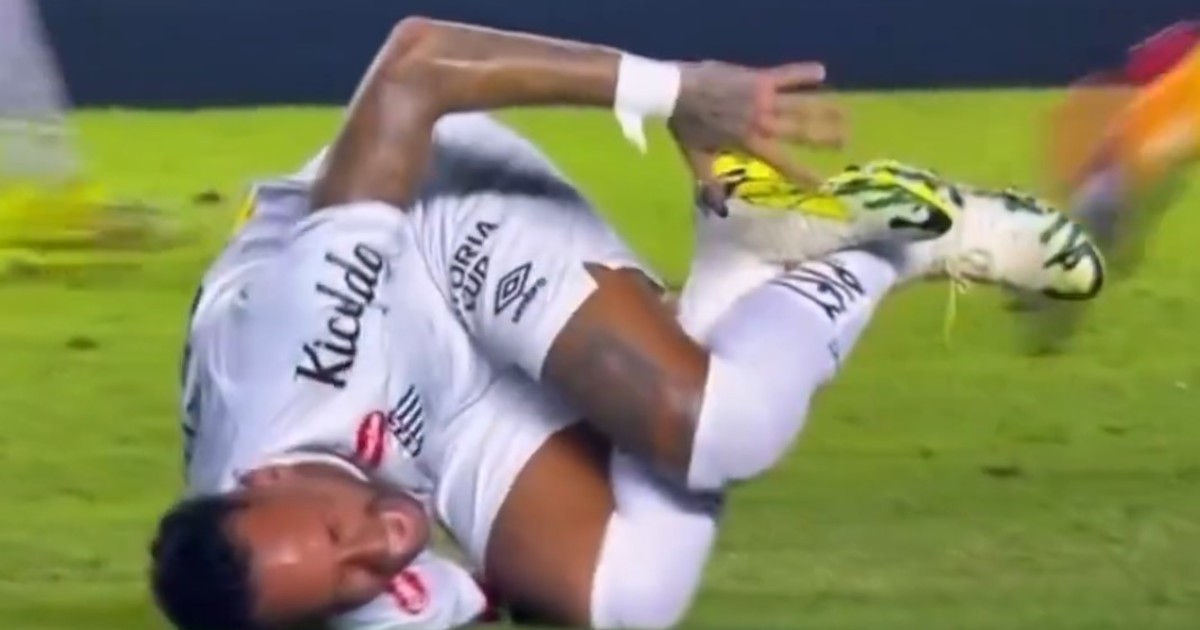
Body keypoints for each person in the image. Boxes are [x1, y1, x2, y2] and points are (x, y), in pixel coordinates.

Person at [150, 16, 1107, 630]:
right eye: (350, 581)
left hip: (429, 226)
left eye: (337, 532)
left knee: (719, 425)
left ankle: (905, 242)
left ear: (269, 476)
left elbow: (416, 64)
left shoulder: (298, 347)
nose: (385, 545)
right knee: (625, 598)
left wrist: (679, 90)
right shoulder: (327, 598)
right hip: (434, 419)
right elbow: (469, 605)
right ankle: (741, 254)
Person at [1016, 20, 1198, 351]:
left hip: (1135, 162)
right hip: (1132, 164)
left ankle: (1040, 300)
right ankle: (1041, 305)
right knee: (1096, 237)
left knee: (1096, 236)